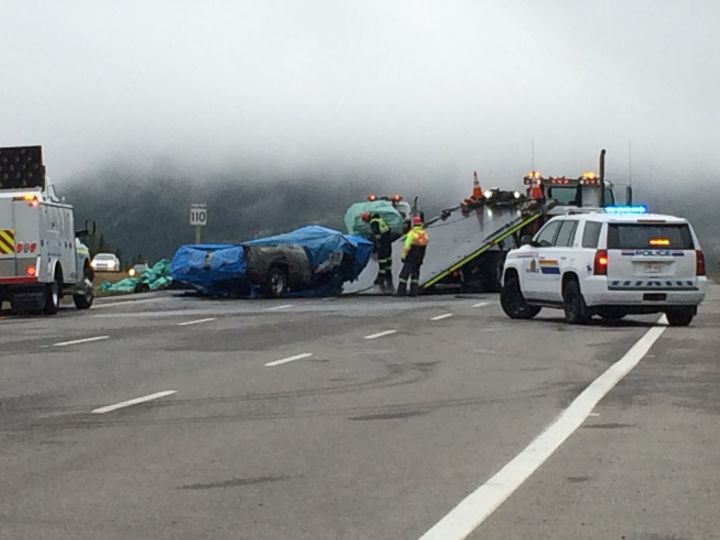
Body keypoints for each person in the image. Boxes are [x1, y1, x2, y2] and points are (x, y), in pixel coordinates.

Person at [397, 216, 429, 296]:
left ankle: (401, 292)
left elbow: (407, 246)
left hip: (411, 257)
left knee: (404, 276)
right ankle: (413, 292)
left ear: (413, 224)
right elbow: (425, 246)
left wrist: (403, 256)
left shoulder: (412, 233)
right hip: (419, 258)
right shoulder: (424, 234)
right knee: (415, 276)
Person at [361, 212, 393, 292]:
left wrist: (377, 245)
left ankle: (381, 284)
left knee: (382, 265)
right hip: (388, 244)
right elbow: (388, 229)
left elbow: (376, 234)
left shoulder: (373, 222)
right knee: (388, 266)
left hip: (383, 245)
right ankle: (390, 285)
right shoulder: (380, 220)